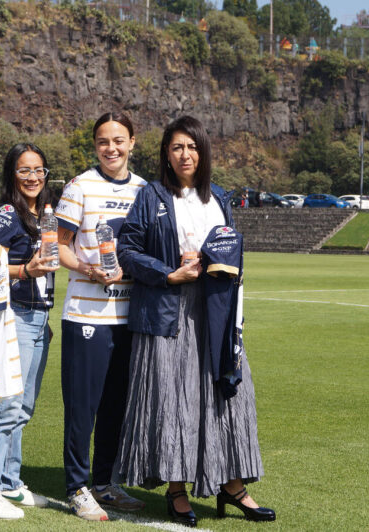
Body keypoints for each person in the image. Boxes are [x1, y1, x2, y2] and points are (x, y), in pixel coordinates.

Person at [114, 116, 276, 526]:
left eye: (192, 147)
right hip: (168, 311)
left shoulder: (218, 198)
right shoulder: (152, 196)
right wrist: (169, 272)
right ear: (166, 155)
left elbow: (232, 251)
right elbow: (128, 249)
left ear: (202, 152)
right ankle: (176, 491)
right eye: (176, 148)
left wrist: (217, 268)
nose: (185, 155)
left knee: (230, 394)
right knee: (173, 399)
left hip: (215, 311)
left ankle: (233, 486)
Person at [54, 112, 147, 521]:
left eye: (118, 140)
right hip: (86, 312)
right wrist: (91, 269)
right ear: (95, 146)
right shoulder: (80, 186)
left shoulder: (146, 190)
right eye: (103, 141)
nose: (111, 148)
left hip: (130, 316)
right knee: (83, 407)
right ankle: (77, 488)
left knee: (116, 407)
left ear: (132, 143)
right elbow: (59, 247)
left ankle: (106, 484)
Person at [0, 143, 59, 519]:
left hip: (41, 318)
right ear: (12, 175)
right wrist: (24, 271)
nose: (33, 177)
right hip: (16, 315)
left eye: (39, 170)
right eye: (24, 171)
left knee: (22, 408)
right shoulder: (7, 215)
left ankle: (9, 483)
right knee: (5, 407)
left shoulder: (44, 214)